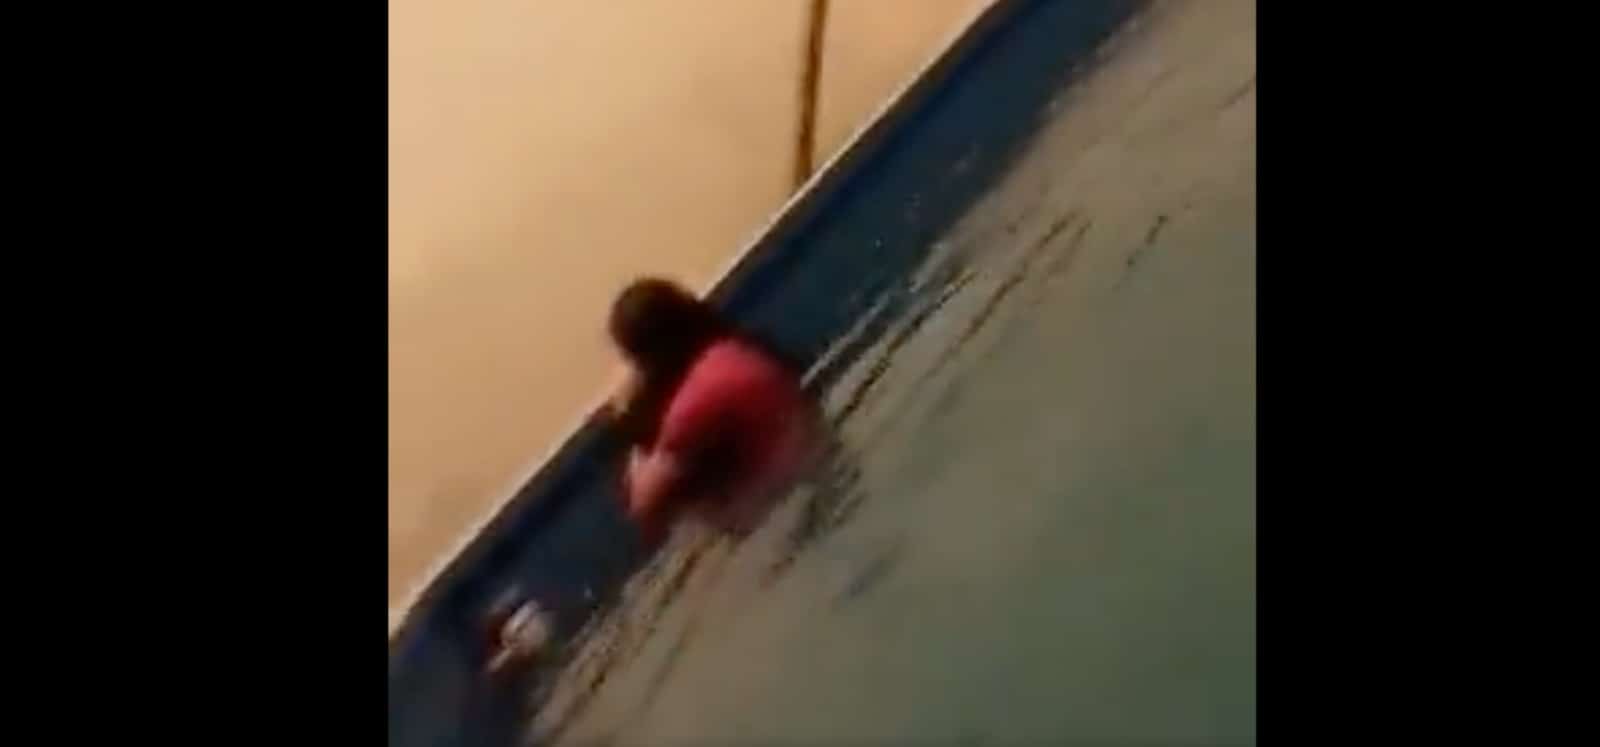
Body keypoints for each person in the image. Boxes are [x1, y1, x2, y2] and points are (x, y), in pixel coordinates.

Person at [605, 277, 821, 548]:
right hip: (819, 475)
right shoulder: (743, 349)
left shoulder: (693, 406)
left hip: (784, 522)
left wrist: (627, 419)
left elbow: (645, 506)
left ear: (645, 357)